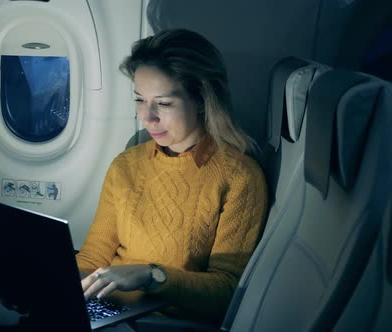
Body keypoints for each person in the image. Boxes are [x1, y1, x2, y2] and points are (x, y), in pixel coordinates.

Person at [76, 28, 268, 325]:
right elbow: (91, 260)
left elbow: (226, 291)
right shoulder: (125, 166)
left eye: (163, 103)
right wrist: (53, 288)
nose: (147, 116)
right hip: (106, 311)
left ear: (203, 100)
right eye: (140, 100)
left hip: (162, 322)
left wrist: (151, 275)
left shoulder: (239, 176)